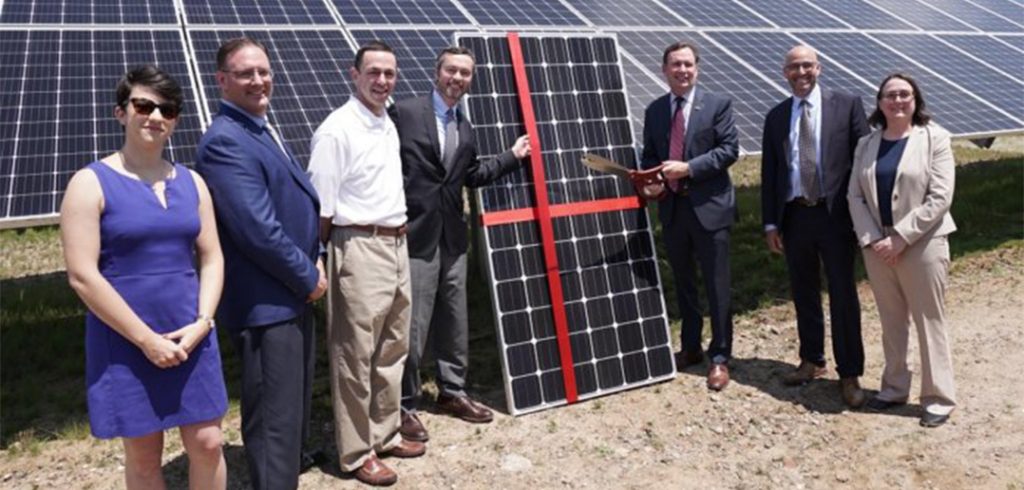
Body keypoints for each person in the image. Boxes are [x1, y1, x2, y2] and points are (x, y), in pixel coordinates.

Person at [61, 64, 228, 489]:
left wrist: (203, 321)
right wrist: (145, 340)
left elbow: (211, 257)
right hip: (126, 339)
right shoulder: (89, 183)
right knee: (144, 454)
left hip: (192, 334)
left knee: (208, 442)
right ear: (122, 112)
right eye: (144, 105)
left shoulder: (193, 182)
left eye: (167, 109)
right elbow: (83, 276)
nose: (155, 116)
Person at [195, 37, 327, 489]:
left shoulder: (258, 128)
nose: (259, 80)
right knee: (274, 422)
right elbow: (258, 230)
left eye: (264, 71)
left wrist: (318, 258)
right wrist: (308, 275)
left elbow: (298, 205)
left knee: (289, 413)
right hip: (266, 304)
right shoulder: (225, 142)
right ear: (222, 81)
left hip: (288, 296)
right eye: (246, 73)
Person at [390, 46, 530, 442]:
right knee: (412, 326)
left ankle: (452, 391)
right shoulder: (405, 112)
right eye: (451, 70)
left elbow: (471, 175)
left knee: (455, 318)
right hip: (414, 234)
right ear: (437, 72)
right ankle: (405, 402)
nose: (457, 78)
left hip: (453, 237)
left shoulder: (465, 127)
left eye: (465, 73)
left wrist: (512, 156)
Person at [307, 40, 424, 487]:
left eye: (389, 73)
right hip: (357, 246)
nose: (382, 81)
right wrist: (318, 259)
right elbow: (320, 206)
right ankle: (357, 453)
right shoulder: (337, 130)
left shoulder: (386, 122)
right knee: (354, 354)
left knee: (392, 348)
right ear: (352, 75)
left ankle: (385, 431)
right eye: (373, 72)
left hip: (396, 244)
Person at [760, 45, 869, 407]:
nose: (800, 72)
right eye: (793, 67)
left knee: (843, 294)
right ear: (784, 72)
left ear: (819, 68)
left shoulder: (847, 104)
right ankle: (811, 360)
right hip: (795, 215)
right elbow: (771, 173)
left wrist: (866, 215)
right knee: (803, 290)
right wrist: (771, 223)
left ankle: (850, 373)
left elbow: (862, 161)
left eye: (807, 65)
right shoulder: (776, 117)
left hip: (835, 215)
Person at [848, 73, 957, 427]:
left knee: (929, 321)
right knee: (891, 321)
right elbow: (855, 195)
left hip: (923, 244)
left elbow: (940, 196)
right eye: (890, 95)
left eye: (904, 95)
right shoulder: (866, 144)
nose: (897, 100)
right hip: (877, 248)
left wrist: (902, 237)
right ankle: (894, 388)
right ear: (879, 103)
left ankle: (938, 397)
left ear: (916, 100)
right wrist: (871, 238)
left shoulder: (935, 138)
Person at [640, 41, 739, 391]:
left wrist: (689, 168)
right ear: (663, 69)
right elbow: (649, 156)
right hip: (673, 209)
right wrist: (650, 183)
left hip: (709, 209)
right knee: (684, 284)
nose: (682, 70)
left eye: (688, 64)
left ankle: (720, 357)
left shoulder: (717, 105)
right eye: (675, 65)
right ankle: (691, 347)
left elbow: (729, 151)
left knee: (717, 286)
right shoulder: (654, 111)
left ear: (697, 68)